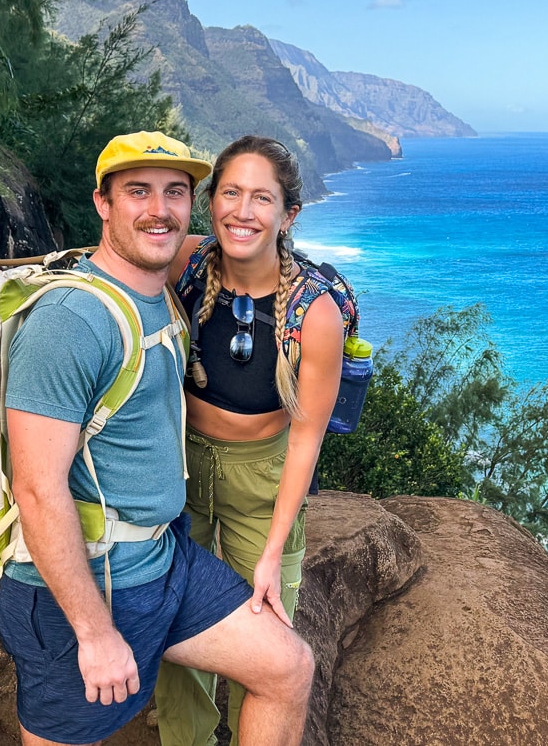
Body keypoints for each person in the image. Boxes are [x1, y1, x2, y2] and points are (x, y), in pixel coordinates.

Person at [0, 130, 314, 746]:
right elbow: (37, 489)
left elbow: (250, 253)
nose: (158, 209)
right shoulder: (71, 322)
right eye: (136, 191)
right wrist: (93, 632)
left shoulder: (161, 295)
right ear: (102, 204)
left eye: (174, 193)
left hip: (165, 564)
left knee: (287, 667)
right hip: (85, 590)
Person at [152, 136, 344, 746]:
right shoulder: (184, 263)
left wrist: (272, 550)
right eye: (231, 193)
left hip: (261, 480)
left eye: (263, 198)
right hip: (176, 471)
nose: (243, 210)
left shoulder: (313, 314)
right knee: (178, 640)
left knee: (265, 640)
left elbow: (307, 436)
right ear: (211, 203)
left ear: (289, 216)